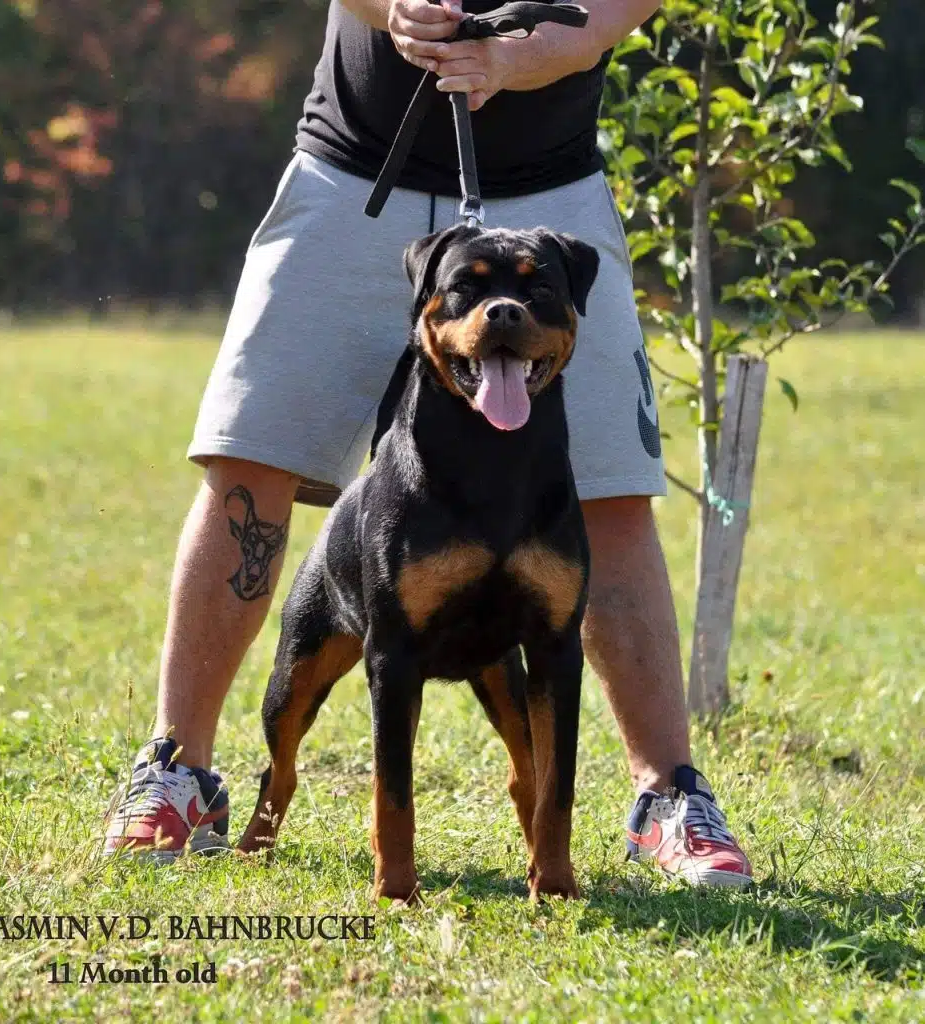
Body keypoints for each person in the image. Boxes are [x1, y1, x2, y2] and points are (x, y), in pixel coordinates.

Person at [104, 0, 752, 887]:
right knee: (247, 464)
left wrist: (565, 43)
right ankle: (177, 772)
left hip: (548, 185)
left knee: (607, 491)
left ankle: (669, 797)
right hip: (352, 173)